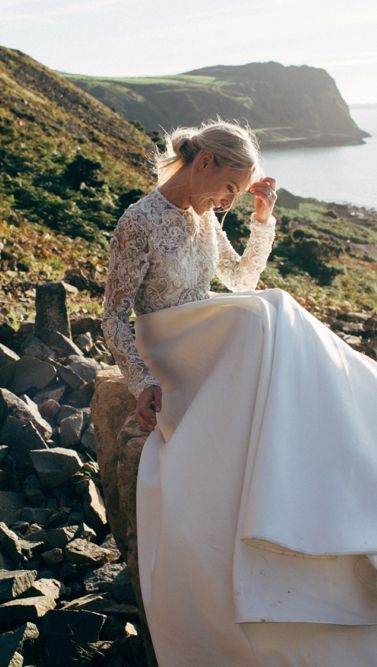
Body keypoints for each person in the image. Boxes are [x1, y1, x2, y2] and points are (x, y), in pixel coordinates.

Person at [101, 117, 377, 666]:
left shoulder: (206, 217)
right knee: (263, 317)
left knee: (267, 306)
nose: (229, 198)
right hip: (170, 338)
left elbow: (241, 281)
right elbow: (113, 315)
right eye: (230, 186)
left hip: (209, 328)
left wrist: (261, 218)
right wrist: (142, 380)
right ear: (204, 163)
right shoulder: (140, 220)